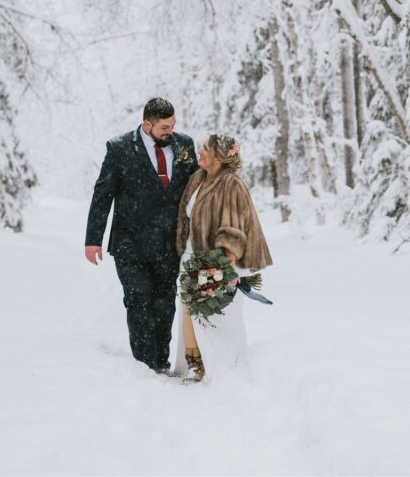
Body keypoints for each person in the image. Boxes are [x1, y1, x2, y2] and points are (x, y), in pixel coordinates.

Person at [83, 98, 198, 374]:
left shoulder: (184, 145)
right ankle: (145, 366)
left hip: (169, 243)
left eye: (173, 125)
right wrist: (93, 239)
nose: (170, 130)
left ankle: (161, 361)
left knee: (164, 303)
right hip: (130, 244)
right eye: (164, 126)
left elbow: (196, 188)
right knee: (137, 300)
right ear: (147, 123)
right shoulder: (120, 148)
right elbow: (103, 194)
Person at [173, 134, 273, 383]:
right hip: (191, 256)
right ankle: (195, 363)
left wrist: (226, 267)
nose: (201, 151)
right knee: (189, 309)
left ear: (218, 157)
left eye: (206, 148)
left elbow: (233, 227)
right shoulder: (198, 178)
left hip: (218, 259)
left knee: (214, 316)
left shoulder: (231, 184)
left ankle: (223, 369)